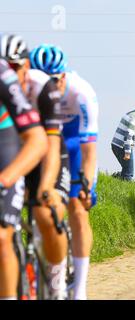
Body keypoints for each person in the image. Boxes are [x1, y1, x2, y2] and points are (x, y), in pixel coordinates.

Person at [1, 35, 70, 299]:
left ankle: (56, 284)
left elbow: (50, 144)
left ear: (27, 66)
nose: (11, 72)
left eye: (16, 66)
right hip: (13, 153)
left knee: (45, 213)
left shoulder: (43, 87)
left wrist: (45, 187)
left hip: (47, 153)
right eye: (6, 65)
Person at [31, 44, 99, 299]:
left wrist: (86, 186)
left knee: (79, 210)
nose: (49, 88)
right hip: (44, 142)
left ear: (65, 75)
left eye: (55, 81)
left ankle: (79, 287)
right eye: (43, 81)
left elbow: (89, 151)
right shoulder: (29, 91)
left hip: (72, 144)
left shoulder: (81, 93)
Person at [0, 56, 48, 300]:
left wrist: (5, 179)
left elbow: (39, 140)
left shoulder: (3, 75)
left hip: (6, 153)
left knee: (1, 237)